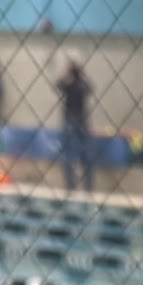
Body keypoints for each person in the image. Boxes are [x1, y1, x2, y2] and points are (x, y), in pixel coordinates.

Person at [56, 57, 93, 193]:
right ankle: (76, 185)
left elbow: (89, 89)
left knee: (80, 152)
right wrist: (73, 76)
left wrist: (73, 76)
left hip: (76, 117)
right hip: (75, 117)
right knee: (75, 152)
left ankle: (79, 186)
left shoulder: (77, 84)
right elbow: (58, 84)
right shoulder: (73, 84)